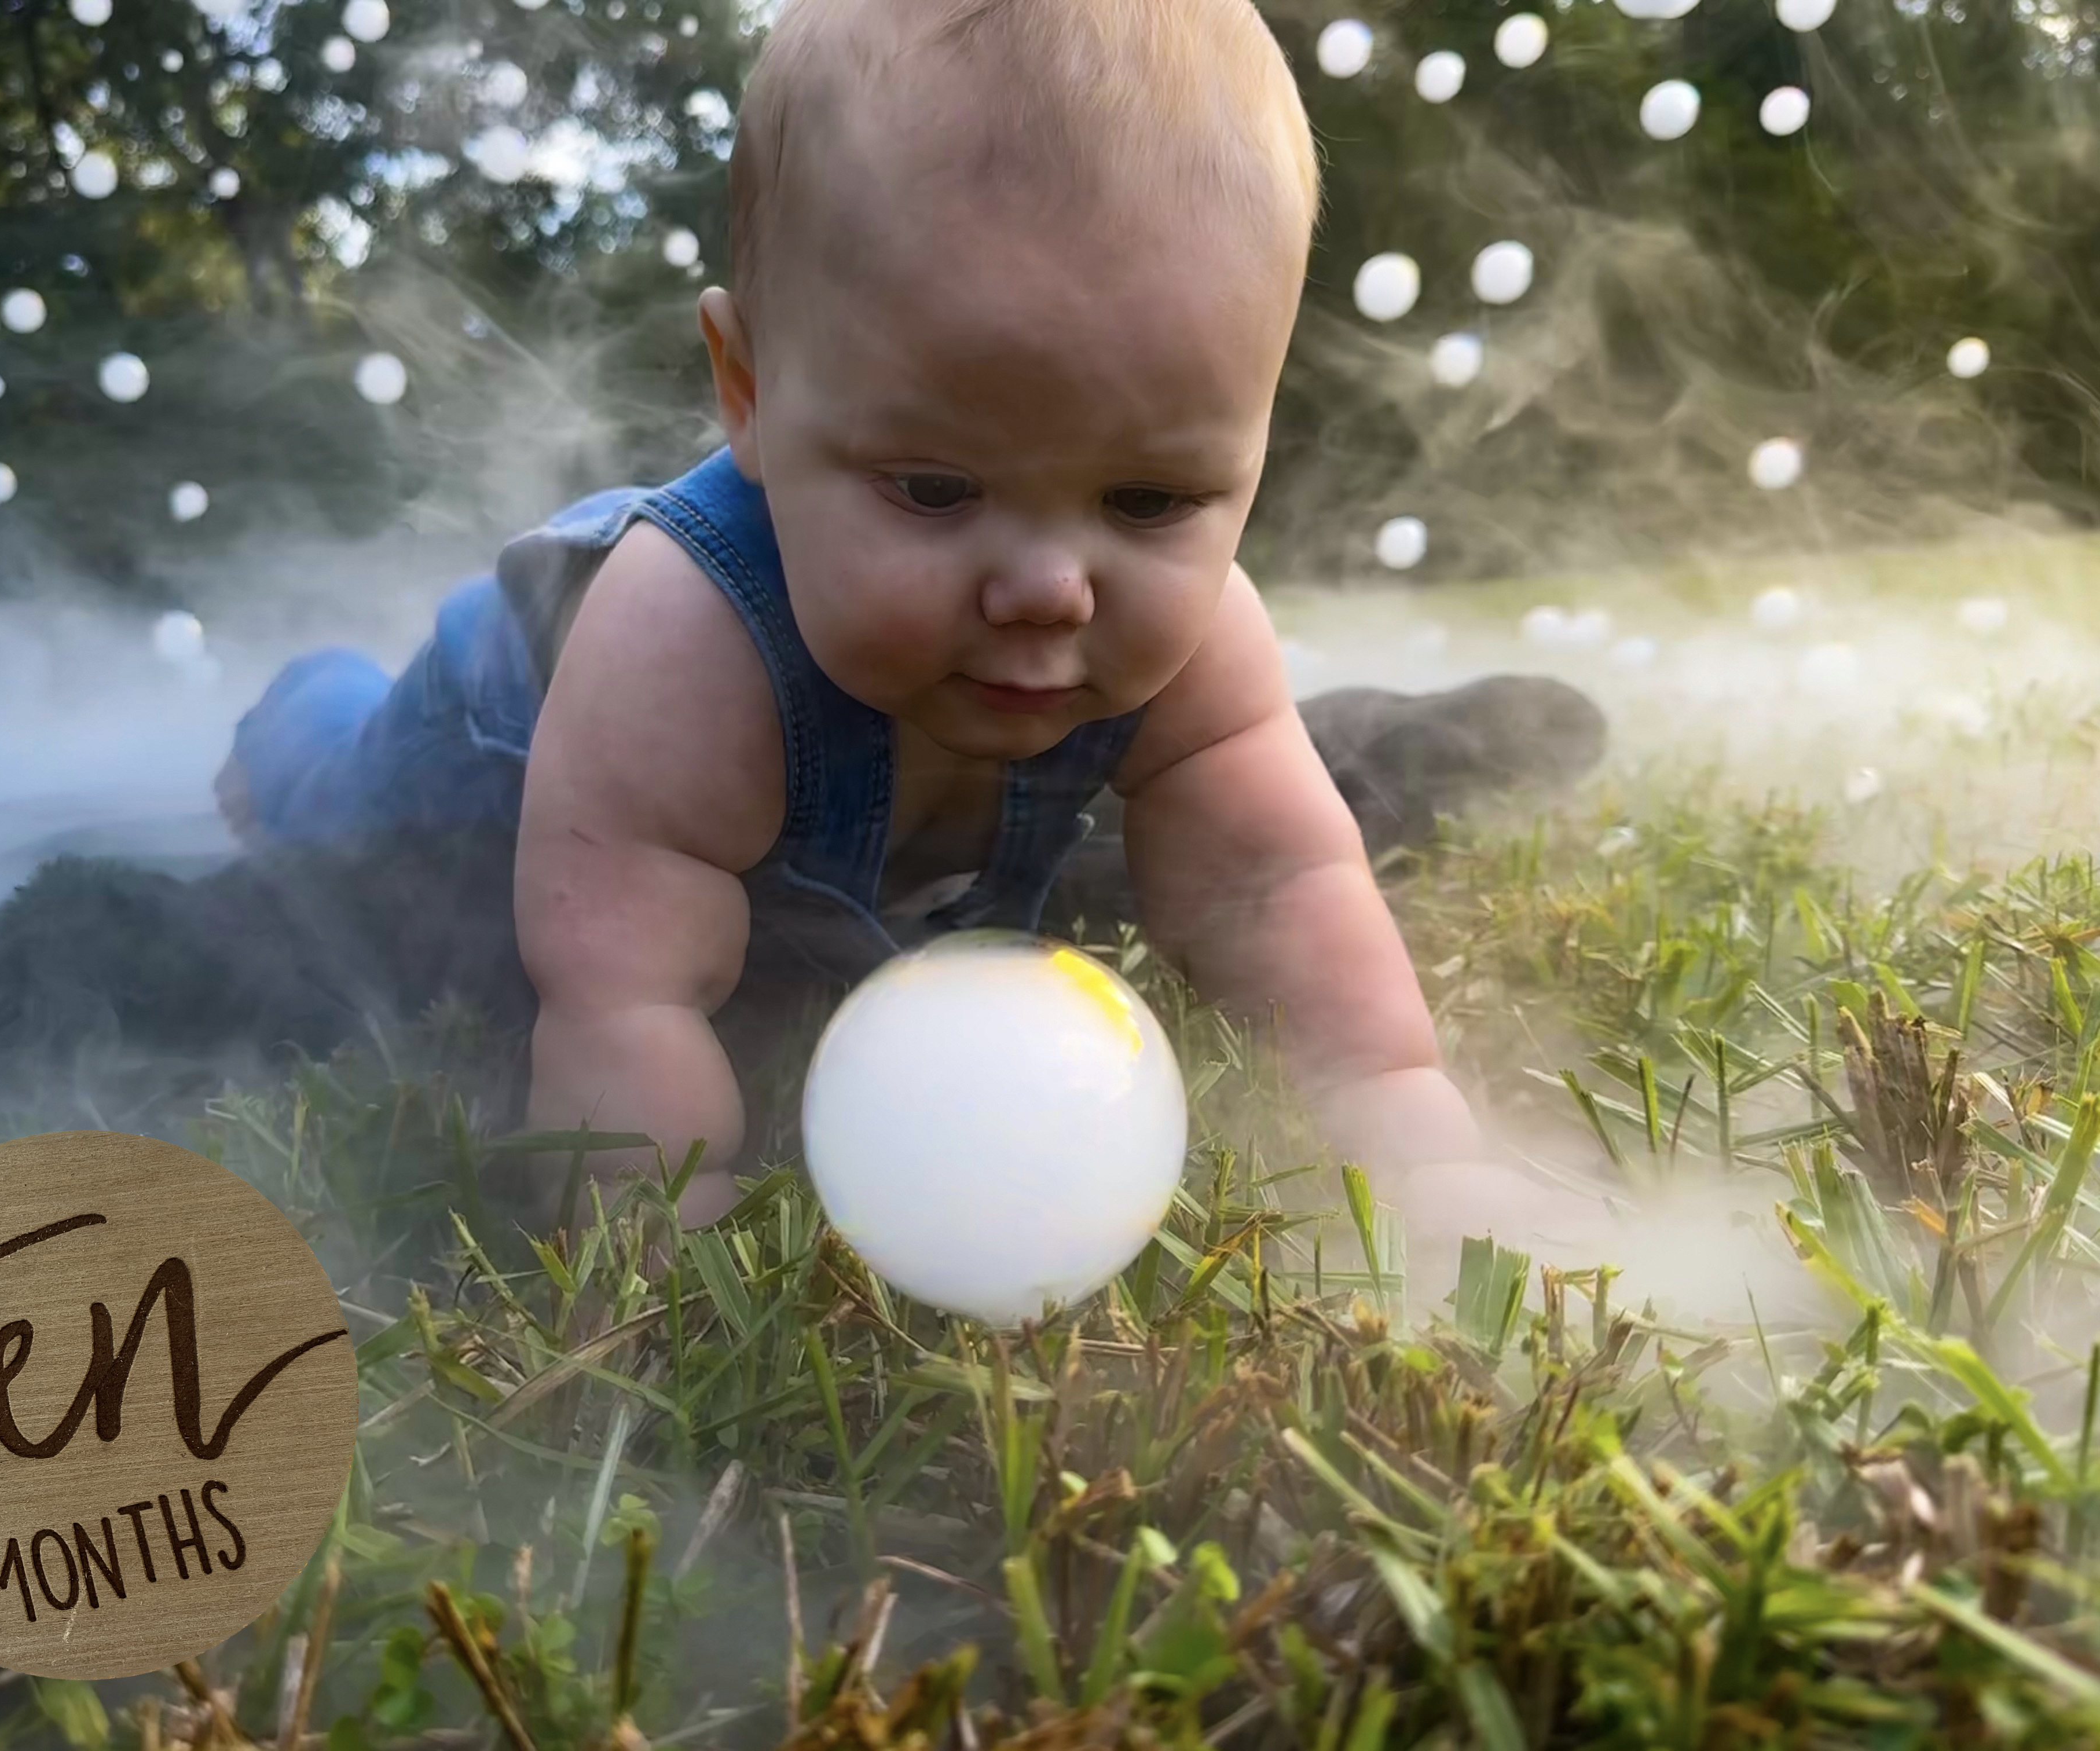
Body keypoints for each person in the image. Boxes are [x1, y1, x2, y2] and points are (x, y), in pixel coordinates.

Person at [220, 0, 1618, 1298]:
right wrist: (658, 1268)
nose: (1050, 590)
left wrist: (1413, 1142)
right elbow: (623, 997)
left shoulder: (1192, 642)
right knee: (334, 815)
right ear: (749, 394)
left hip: (819, 812)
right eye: (938, 490)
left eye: (1151, 500)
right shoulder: (681, 640)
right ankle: (296, 713)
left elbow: (1277, 887)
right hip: (500, 739)